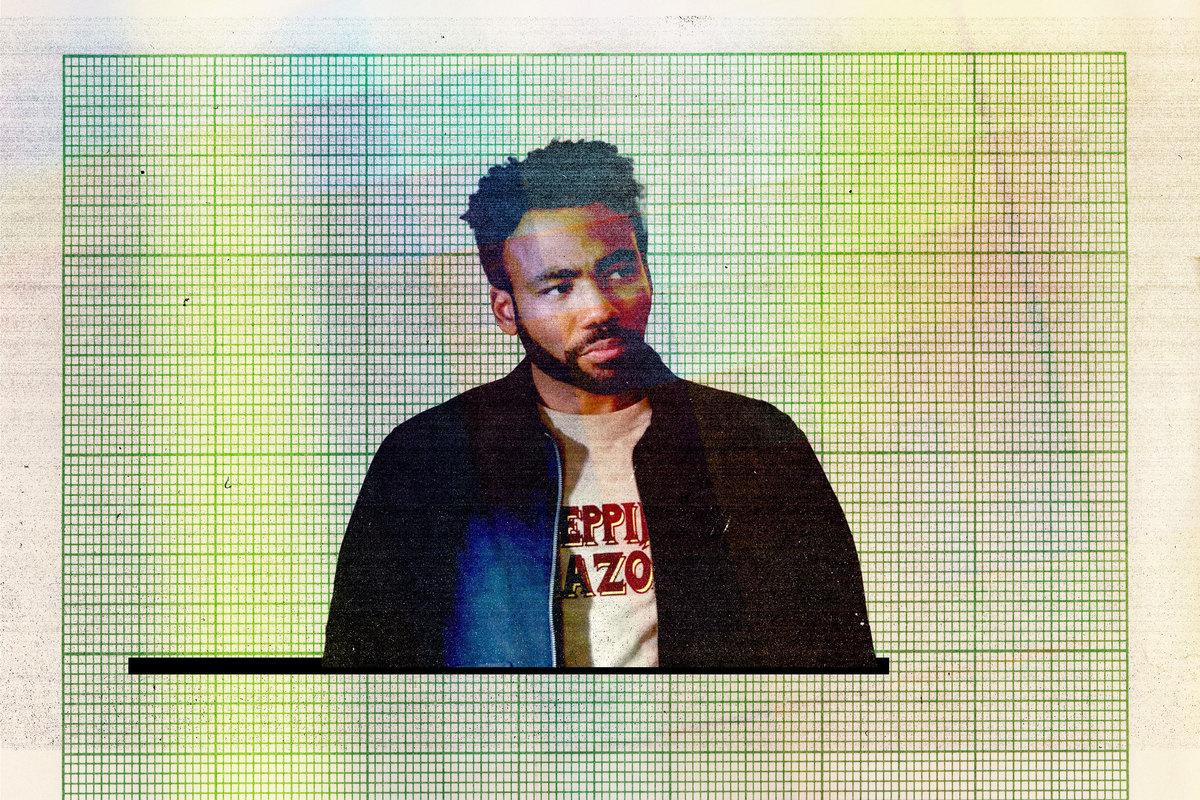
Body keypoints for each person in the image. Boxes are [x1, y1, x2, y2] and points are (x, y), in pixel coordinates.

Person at [323, 140, 876, 670]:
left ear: (647, 271)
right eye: (558, 287)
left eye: (618, 270)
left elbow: (833, 653)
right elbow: (364, 671)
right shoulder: (428, 457)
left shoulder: (753, 441)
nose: (600, 307)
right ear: (506, 310)